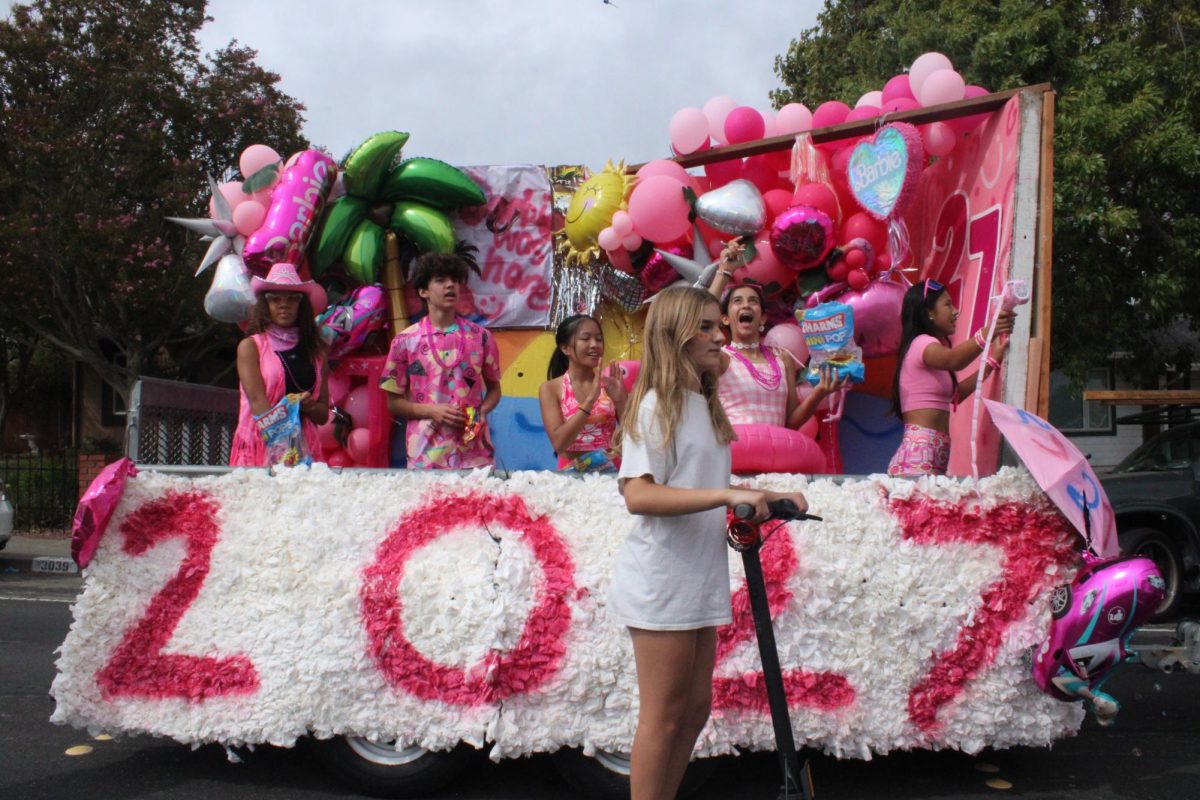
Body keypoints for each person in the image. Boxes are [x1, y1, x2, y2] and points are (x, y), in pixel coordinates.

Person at [608, 286, 808, 800]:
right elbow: (638, 495)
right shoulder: (656, 405)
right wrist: (726, 494)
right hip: (661, 576)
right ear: (676, 338)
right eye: (704, 327)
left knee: (693, 711)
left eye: (717, 324)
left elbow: (701, 478)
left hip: (698, 571)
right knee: (664, 715)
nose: (718, 335)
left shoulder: (703, 406)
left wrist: (766, 493)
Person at [380, 252, 501, 469]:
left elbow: (494, 390)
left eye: (454, 280)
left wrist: (480, 411)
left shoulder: (481, 337)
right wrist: (432, 411)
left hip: (474, 453)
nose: (450, 286)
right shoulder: (404, 341)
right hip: (425, 455)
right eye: (440, 280)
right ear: (423, 291)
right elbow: (393, 403)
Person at [888, 278, 1014, 477]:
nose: (956, 311)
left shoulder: (931, 350)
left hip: (932, 458)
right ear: (929, 312)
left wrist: (992, 362)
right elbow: (954, 360)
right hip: (917, 459)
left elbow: (957, 395)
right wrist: (989, 332)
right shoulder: (922, 343)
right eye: (947, 304)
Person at [230, 262, 329, 466]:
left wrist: (308, 405)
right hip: (261, 448)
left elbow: (322, 415)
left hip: (306, 452)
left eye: (292, 299)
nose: (284, 304)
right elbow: (258, 403)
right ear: (265, 306)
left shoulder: (317, 353)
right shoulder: (251, 347)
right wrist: (285, 450)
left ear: (301, 306)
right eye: (275, 299)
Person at [537, 314, 626, 472]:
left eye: (599, 339)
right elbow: (559, 443)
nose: (594, 345)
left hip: (611, 472)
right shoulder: (551, 389)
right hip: (571, 474)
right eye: (586, 339)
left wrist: (620, 400)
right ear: (566, 348)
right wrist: (590, 400)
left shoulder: (611, 385)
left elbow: (634, 436)